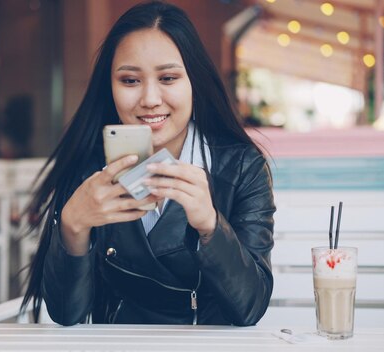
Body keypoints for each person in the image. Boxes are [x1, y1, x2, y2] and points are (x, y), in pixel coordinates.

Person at [21, 0, 275, 326]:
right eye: (130, 81)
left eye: (168, 78)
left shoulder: (241, 166)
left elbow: (250, 308)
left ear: (194, 81)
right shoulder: (89, 166)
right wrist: (72, 226)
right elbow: (66, 314)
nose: (150, 99)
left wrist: (210, 226)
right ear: (109, 86)